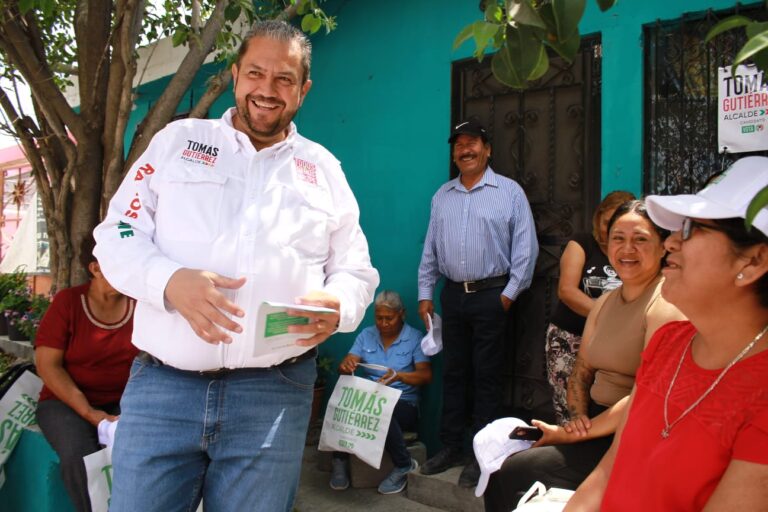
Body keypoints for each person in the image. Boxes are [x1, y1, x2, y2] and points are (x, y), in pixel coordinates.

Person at [92, 20, 379, 512]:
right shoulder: (176, 142)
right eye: (255, 74)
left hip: (272, 396)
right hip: (163, 391)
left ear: (304, 89)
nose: (267, 90)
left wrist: (341, 305)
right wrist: (169, 282)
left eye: (284, 79)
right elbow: (115, 235)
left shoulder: (323, 169)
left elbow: (356, 269)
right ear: (234, 75)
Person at [565, 157, 768, 511]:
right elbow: (608, 472)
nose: (671, 242)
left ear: (752, 262)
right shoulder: (668, 342)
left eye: (692, 229)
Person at [483, 200, 685, 511]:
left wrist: (571, 435)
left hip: (632, 434)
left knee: (517, 471)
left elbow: (646, 396)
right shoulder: (604, 304)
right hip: (593, 423)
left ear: (662, 247)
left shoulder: (665, 305)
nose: (627, 249)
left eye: (641, 239)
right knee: (502, 461)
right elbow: (582, 370)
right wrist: (577, 419)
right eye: (618, 238)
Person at [417, 120, 539, 488]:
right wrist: (425, 293)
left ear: (488, 149)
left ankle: (478, 455)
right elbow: (430, 251)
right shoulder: (443, 196)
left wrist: (505, 297)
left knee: (486, 377)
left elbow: (526, 251)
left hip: (491, 295)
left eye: (472, 143)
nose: (464, 150)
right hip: (452, 296)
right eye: (459, 145)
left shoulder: (509, 192)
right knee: (453, 374)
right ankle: (451, 446)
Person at [35, 236, 137, 512]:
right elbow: (47, 365)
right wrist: (89, 412)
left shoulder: (139, 305)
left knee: (145, 445)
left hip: (124, 399)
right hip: (63, 402)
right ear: (95, 268)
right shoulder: (68, 302)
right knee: (80, 453)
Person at [329, 290, 432, 494]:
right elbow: (347, 362)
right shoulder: (367, 335)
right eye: (379, 318)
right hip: (369, 399)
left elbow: (425, 376)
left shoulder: (414, 338)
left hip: (403, 404)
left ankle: (404, 464)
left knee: (383, 411)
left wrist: (399, 376)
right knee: (344, 402)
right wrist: (346, 365)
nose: (383, 323)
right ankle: (339, 460)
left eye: (389, 318)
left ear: (401, 314)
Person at [547, 191, 634, 424]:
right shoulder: (583, 243)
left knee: (605, 407)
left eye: (618, 223)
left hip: (615, 344)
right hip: (571, 338)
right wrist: (608, 316)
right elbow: (567, 290)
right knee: (571, 411)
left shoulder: (633, 253)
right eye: (607, 222)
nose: (611, 229)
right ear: (598, 220)